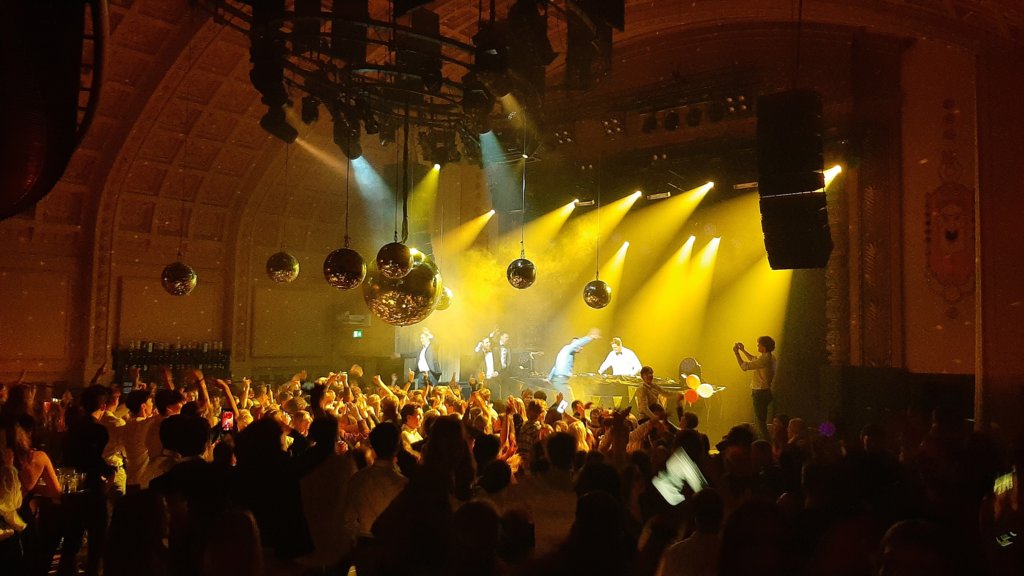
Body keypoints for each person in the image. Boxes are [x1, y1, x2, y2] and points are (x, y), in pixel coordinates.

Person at [733, 336, 777, 439]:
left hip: (760, 392)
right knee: (760, 422)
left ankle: (765, 443)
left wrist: (737, 353)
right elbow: (754, 360)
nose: (757, 346)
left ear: (764, 347)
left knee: (760, 423)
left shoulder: (765, 359)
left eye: (759, 345)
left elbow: (744, 366)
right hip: (764, 392)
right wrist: (743, 350)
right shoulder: (769, 357)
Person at [547, 329, 601, 401]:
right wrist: (590, 337)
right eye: (579, 345)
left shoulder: (566, 352)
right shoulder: (569, 348)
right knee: (569, 401)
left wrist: (549, 378)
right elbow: (578, 343)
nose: (581, 347)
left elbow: (555, 367)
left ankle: (561, 408)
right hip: (561, 380)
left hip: (559, 380)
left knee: (565, 400)